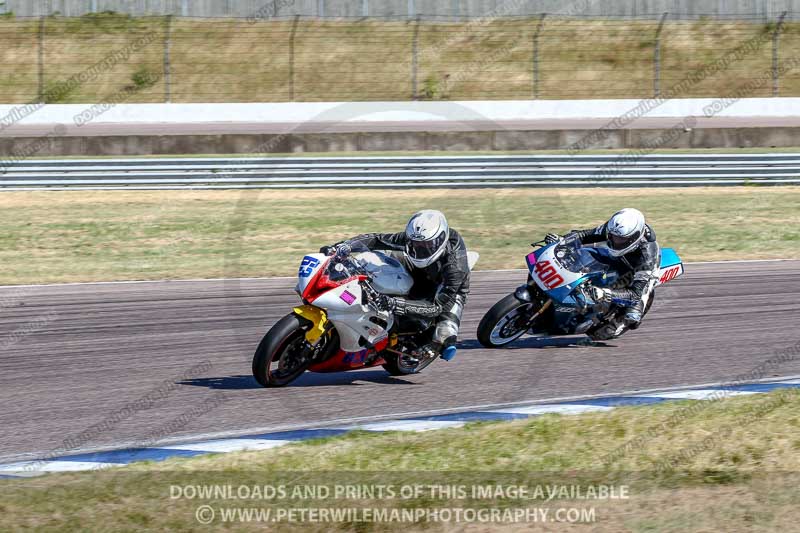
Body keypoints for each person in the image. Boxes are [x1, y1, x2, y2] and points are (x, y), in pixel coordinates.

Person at [320, 210, 469, 361]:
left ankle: (426, 345)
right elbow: (377, 239)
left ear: (441, 239)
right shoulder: (412, 239)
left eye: (426, 245)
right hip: (417, 268)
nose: (420, 249)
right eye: (415, 244)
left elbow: (435, 307)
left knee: (444, 335)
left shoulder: (455, 268)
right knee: (372, 262)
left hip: (445, 287)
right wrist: (345, 246)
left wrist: (394, 303)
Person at [544, 208, 659, 340]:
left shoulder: (647, 256)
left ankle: (622, 321)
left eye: (620, 239)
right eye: (612, 236)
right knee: (584, 254)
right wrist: (562, 240)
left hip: (638, 271)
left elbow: (635, 294)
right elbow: (586, 235)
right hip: (618, 257)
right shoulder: (614, 227)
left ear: (633, 238)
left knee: (628, 316)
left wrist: (604, 293)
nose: (615, 240)